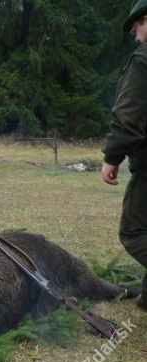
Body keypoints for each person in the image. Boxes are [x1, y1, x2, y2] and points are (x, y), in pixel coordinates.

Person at [102, 0, 147, 309]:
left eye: (137, 27)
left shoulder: (144, 60)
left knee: (133, 232)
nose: (136, 36)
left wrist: (112, 157)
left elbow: (128, 117)